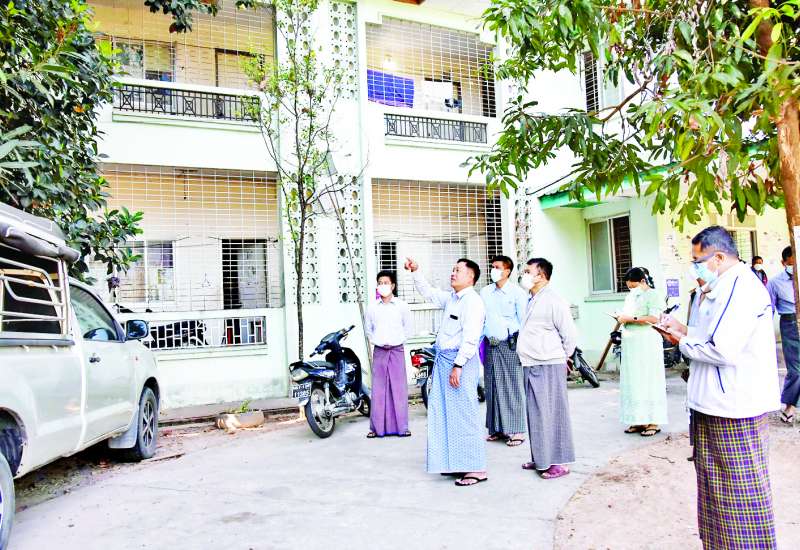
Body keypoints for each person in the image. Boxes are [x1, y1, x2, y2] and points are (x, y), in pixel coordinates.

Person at [659, 226, 780, 550]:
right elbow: (711, 334)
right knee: (716, 491)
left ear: (720, 257)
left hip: (733, 407)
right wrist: (684, 329)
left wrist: (680, 341)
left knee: (740, 492)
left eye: (698, 261)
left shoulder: (741, 289)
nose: (694, 268)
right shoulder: (721, 287)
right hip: (715, 403)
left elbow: (722, 350)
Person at [405, 256, 487, 487]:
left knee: (464, 414)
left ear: (470, 276)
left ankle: (476, 468)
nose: (453, 273)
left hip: (460, 363)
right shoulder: (453, 298)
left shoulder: (473, 302)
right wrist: (416, 271)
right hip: (444, 362)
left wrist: (458, 366)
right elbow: (428, 292)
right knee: (446, 414)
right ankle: (457, 463)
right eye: (453, 269)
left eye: (458, 270)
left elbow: (471, 337)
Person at [516, 258, 577, 480]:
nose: (523, 275)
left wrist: (563, 357)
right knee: (536, 414)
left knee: (552, 414)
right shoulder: (532, 299)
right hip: (531, 362)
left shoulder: (553, 300)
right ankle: (541, 457)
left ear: (540, 276)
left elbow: (569, 335)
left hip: (548, 362)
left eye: (527, 271)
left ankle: (558, 462)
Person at [480, 255, 528, 447]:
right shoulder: (485, 292)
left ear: (507, 271)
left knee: (512, 386)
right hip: (490, 344)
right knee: (492, 386)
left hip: (509, 344)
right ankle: (497, 429)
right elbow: (482, 318)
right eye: (492, 266)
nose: (493, 270)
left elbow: (523, 322)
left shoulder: (517, 293)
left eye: (497, 267)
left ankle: (517, 430)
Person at [616, 267, 668, 437]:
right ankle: (638, 419)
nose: (631, 290)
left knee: (649, 379)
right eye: (629, 287)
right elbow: (628, 314)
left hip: (647, 342)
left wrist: (630, 318)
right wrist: (621, 317)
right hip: (631, 343)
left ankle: (653, 421)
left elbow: (653, 318)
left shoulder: (654, 295)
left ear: (643, 281)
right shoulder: (631, 297)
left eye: (633, 286)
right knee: (633, 380)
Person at [365, 270, 413, 438]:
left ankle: (402, 428)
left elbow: (408, 328)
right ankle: (376, 429)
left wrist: (397, 341)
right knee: (379, 390)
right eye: (380, 283)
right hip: (379, 351)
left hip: (396, 350)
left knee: (398, 389)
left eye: (386, 283)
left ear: (392, 286)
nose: (382, 285)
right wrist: (377, 341)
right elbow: (368, 329)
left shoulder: (401, 306)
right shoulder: (372, 307)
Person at [767, 245, 799, 424]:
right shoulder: (774, 283)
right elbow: (768, 309)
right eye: (791, 264)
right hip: (790, 323)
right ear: (783, 263)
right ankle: (790, 406)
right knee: (796, 369)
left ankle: (791, 406)